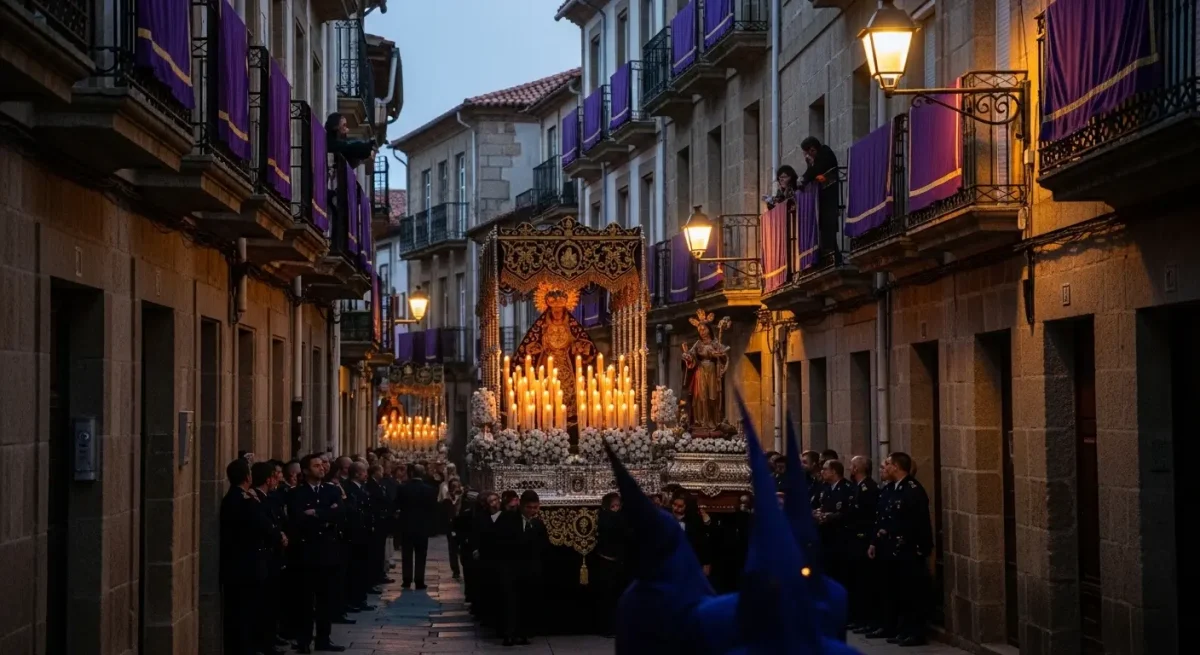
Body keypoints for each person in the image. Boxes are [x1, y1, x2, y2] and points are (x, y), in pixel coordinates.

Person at [868, 453, 933, 647]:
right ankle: (901, 629)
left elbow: (917, 522)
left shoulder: (912, 490)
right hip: (891, 549)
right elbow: (883, 517)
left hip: (908, 549)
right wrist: (875, 540)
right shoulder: (891, 489)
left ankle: (915, 632)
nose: (884, 468)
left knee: (912, 593)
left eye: (887, 464)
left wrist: (920, 549)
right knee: (897, 592)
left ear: (896, 466)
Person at [288, 454, 347, 653]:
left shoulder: (331, 490)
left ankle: (324, 639)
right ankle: (303, 640)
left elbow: (340, 513)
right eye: (316, 466)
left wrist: (316, 513)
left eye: (322, 465)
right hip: (306, 553)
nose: (321, 468)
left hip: (327, 552)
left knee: (325, 600)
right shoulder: (297, 493)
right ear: (305, 471)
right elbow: (297, 519)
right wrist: (326, 514)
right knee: (304, 600)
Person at [220, 458, 268, 655]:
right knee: (244, 613)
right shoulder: (244, 500)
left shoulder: (233, 498)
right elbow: (259, 526)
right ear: (248, 477)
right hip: (245, 566)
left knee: (240, 612)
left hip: (237, 565)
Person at [495, 490, 548, 646]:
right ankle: (509, 634)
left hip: (529, 570)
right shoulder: (507, 518)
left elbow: (543, 546)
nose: (532, 510)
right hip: (511, 568)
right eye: (529, 507)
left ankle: (523, 633)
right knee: (510, 602)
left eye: (535, 507)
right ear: (522, 505)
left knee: (527, 601)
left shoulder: (537, 523)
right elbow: (500, 542)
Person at [847, 455, 881, 633]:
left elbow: (869, 517)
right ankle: (860, 619)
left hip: (863, 540)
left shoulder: (869, 488)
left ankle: (870, 620)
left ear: (858, 469)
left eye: (852, 466)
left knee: (866, 583)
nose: (850, 469)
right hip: (855, 540)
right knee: (858, 583)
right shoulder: (857, 488)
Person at [395, 463, 438, 589]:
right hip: (422, 526)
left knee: (407, 553)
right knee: (421, 553)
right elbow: (433, 509)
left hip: (406, 525)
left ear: (411, 473)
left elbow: (398, 505)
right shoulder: (429, 490)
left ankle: (407, 579)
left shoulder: (402, 488)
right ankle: (419, 580)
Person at [800, 136, 842, 262]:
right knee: (825, 227)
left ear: (812, 150)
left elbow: (816, 172)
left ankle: (835, 257)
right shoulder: (818, 158)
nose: (807, 156)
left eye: (807, 153)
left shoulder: (825, 154)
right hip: (824, 197)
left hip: (830, 195)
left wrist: (804, 177)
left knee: (829, 226)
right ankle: (830, 255)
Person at [815, 459, 854, 588]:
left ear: (834, 472)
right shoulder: (826, 488)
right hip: (826, 536)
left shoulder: (846, 488)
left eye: (825, 469)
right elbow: (824, 506)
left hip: (839, 537)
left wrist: (828, 516)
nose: (822, 472)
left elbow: (847, 512)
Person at [593, 491, 626, 637]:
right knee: (607, 597)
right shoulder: (605, 518)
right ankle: (606, 627)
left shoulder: (618, 518)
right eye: (613, 506)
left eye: (618, 506)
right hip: (606, 561)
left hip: (618, 562)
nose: (616, 509)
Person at [672, 494, 711, 577]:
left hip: (690, 562)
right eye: (674, 505)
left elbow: (703, 543)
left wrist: (706, 563)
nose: (675, 508)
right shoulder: (667, 518)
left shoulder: (695, 521)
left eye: (680, 506)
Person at [442, 478, 465, 580]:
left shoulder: (464, 498)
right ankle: (455, 570)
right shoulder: (447, 500)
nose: (456, 488)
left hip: (462, 527)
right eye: (454, 487)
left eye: (458, 486)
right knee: (452, 550)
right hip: (451, 527)